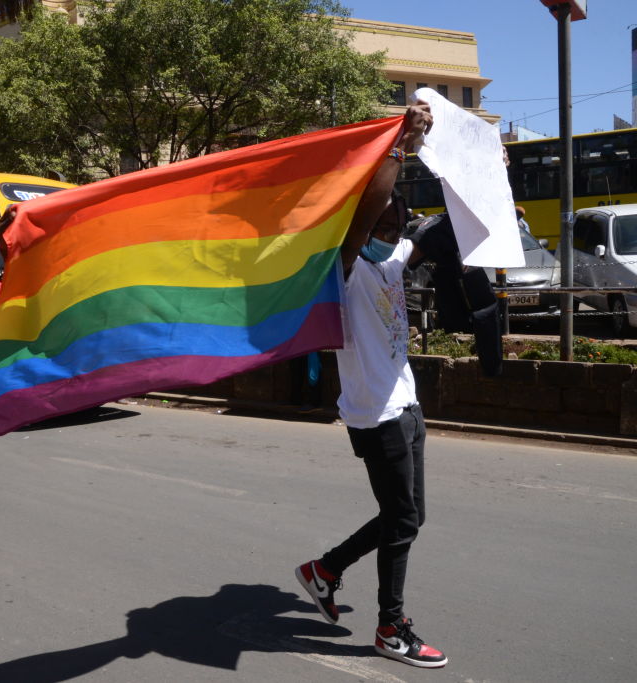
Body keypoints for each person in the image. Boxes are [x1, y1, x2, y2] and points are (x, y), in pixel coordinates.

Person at [295, 101, 449, 669]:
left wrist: (489, 174)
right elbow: (371, 208)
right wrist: (398, 145)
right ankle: (390, 626)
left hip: (405, 406)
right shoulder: (349, 264)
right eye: (379, 225)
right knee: (403, 518)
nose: (388, 231)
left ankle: (325, 569)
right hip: (373, 415)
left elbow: (448, 225)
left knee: (408, 516)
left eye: (394, 225)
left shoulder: (392, 260)